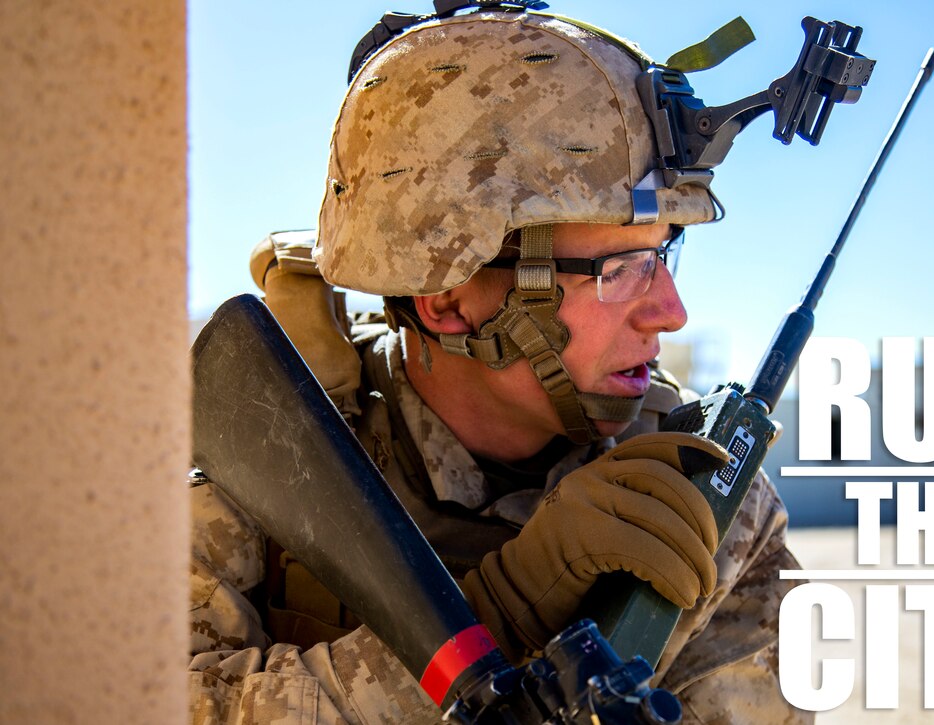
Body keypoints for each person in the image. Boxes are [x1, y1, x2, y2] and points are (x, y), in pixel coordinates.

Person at [189, 3, 810, 723]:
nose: (671, 311)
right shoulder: (257, 447)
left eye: (664, 251)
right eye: (621, 267)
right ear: (450, 300)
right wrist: (501, 613)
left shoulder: (708, 500)